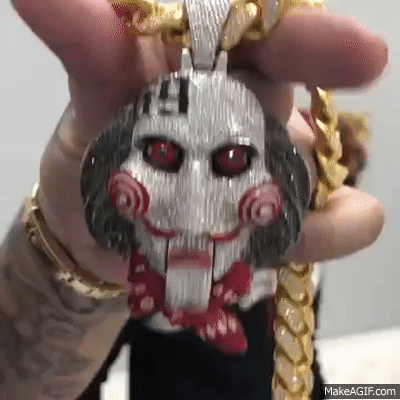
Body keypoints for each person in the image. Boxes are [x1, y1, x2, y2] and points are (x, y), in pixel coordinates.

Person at [1, 0, 387, 399]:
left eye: (231, 160)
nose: (196, 209)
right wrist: (67, 265)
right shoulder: (139, 265)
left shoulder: (293, 234)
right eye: (163, 155)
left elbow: (311, 368)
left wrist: (371, 393)